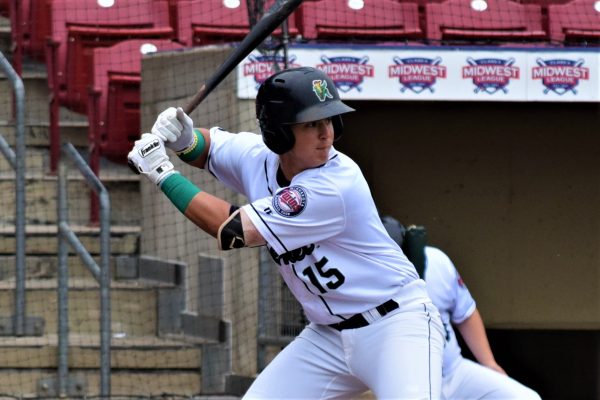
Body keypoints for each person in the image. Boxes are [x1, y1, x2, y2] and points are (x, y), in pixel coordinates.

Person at [128, 66, 444, 399]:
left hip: (395, 325)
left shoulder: (334, 184)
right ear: (278, 133)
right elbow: (206, 148)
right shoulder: (257, 157)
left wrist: (162, 172)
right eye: (311, 124)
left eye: (329, 120)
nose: (326, 134)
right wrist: (184, 138)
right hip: (327, 338)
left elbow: (231, 230)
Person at [382, 217, 541, 400]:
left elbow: (465, 313)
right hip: (405, 383)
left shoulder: (435, 261)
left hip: (452, 371)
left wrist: (489, 363)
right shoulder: (357, 281)